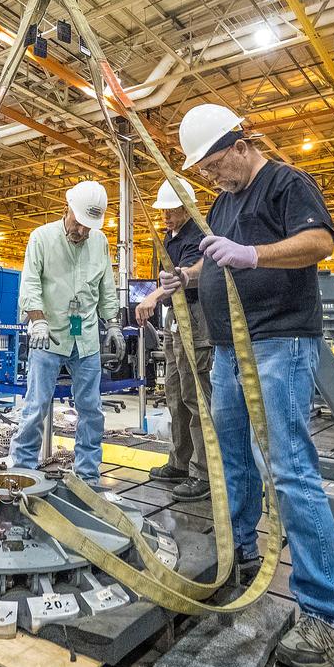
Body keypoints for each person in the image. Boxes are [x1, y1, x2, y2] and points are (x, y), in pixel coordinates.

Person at [161, 103, 334, 667]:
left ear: (241, 144)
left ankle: (327, 617)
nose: (214, 177)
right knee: (230, 457)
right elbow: (217, 263)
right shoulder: (223, 201)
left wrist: (253, 254)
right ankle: (241, 550)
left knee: (289, 467)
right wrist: (189, 276)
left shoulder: (286, 183)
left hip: (278, 343)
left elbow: (320, 242)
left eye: (218, 164)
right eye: (207, 171)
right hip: (227, 349)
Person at [11, 180, 122, 483]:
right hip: (49, 335)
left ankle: (87, 474)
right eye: (79, 224)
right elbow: (31, 283)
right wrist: (38, 320)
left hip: (85, 337)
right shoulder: (41, 238)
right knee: (36, 407)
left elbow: (106, 286)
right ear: (67, 208)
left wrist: (112, 323)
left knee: (91, 410)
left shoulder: (99, 241)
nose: (83, 232)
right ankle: (22, 469)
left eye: (89, 227)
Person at [135, 178, 211, 502]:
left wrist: (151, 297)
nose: (164, 216)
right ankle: (181, 463)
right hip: (175, 320)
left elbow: (186, 274)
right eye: (162, 211)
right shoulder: (168, 237)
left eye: (170, 210)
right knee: (175, 393)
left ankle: (204, 474)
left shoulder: (199, 235)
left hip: (195, 317)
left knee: (197, 398)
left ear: (184, 207)